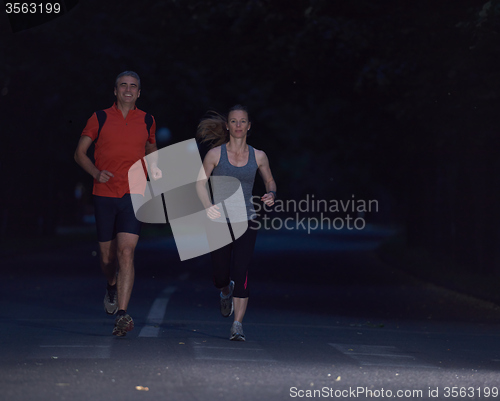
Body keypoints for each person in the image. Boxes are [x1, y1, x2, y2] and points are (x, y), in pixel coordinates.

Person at [74, 71, 161, 336]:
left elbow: (150, 148)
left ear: (139, 92)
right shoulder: (99, 117)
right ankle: (111, 285)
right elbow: (79, 153)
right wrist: (96, 172)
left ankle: (122, 314)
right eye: (123, 85)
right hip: (104, 193)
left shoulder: (147, 119)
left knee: (126, 252)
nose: (128, 89)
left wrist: (155, 171)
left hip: (134, 194)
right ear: (115, 90)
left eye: (133, 86)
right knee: (107, 256)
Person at [196, 105, 276, 341]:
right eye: (234, 121)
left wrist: (271, 194)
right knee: (221, 274)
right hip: (219, 220)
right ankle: (224, 290)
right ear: (228, 126)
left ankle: (237, 325)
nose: (238, 125)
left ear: (249, 126)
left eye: (243, 121)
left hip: (247, 219)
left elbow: (270, 181)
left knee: (241, 272)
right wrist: (208, 205)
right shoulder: (215, 154)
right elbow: (200, 183)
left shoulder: (258, 156)